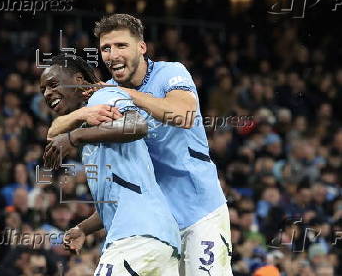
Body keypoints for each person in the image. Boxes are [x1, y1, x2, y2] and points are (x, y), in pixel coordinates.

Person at [49, 14, 232, 275]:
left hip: (199, 212)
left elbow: (183, 115)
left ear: (141, 48)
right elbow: (56, 132)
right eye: (106, 48)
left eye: (121, 46)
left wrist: (126, 94)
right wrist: (84, 228)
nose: (112, 54)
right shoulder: (109, 94)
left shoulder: (170, 73)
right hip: (158, 226)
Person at [41, 54, 181, 275]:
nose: (48, 93)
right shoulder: (91, 132)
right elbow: (118, 200)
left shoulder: (102, 98)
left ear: (78, 81)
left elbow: (137, 125)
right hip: (157, 240)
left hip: (137, 238)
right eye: (43, 91)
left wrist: (74, 136)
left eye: (53, 84)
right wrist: (82, 229)